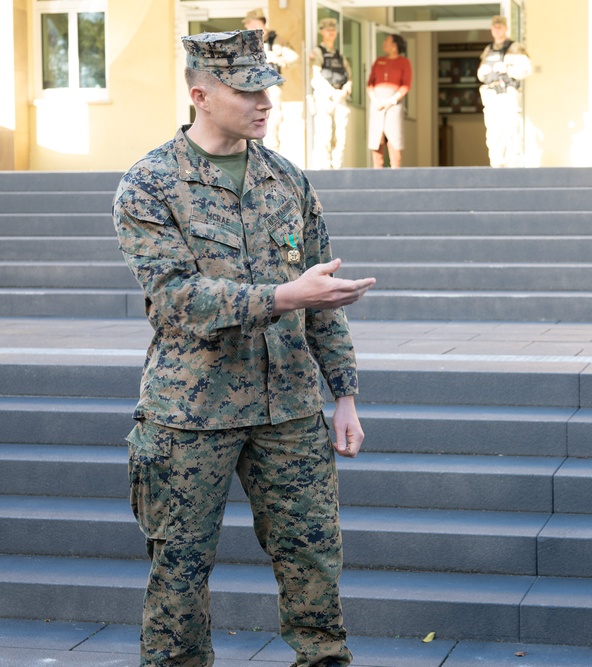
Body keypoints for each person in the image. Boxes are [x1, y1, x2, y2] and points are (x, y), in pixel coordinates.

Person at [112, 29, 376, 666]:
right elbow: (179, 299)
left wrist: (344, 396)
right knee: (179, 570)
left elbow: (324, 296)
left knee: (313, 559)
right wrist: (286, 296)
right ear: (201, 95)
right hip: (190, 415)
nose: (265, 101)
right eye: (248, 89)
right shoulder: (149, 185)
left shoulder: (286, 180)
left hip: (289, 409)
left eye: (269, 89)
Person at [476, 15, 531, 168]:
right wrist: (484, 71)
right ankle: (496, 167)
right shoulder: (489, 49)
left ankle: (514, 169)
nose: (497, 30)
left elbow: (526, 69)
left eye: (500, 27)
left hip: (507, 96)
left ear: (506, 28)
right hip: (491, 97)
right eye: (494, 27)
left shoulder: (515, 49)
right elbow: (480, 74)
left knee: (511, 132)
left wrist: (507, 68)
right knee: (493, 135)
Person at [243, 8, 298, 152]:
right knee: (248, 123)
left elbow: (294, 58)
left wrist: (276, 58)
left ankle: (271, 160)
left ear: (259, 23)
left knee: (272, 124)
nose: (247, 27)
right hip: (250, 88)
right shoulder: (246, 43)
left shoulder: (276, 40)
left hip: (271, 87)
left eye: (249, 23)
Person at [310, 17, 352, 169]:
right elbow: (315, 76)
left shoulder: (339, 55)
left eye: (333, 30)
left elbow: (348, 75)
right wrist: (333, 93)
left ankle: (337, 167)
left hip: (340, 99)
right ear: (322, 31)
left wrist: (347, 88)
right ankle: (326, 169)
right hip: (325, 99)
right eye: (328, 30)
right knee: (325, 134)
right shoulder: (317, 52)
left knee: (341, 137)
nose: (331, 33)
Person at [366, 34, 411, 168]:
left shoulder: (404, 62)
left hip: (393, 103)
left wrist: (391, 101)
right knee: (376, 138)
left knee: (394, 138)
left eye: (387, 41)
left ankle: (395, 173)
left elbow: (406, 85)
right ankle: (377, 173)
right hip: (377, 103)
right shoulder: (378, 61)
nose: (384, 43)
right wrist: (374, 99)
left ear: (395, 45)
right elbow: (370, 83)